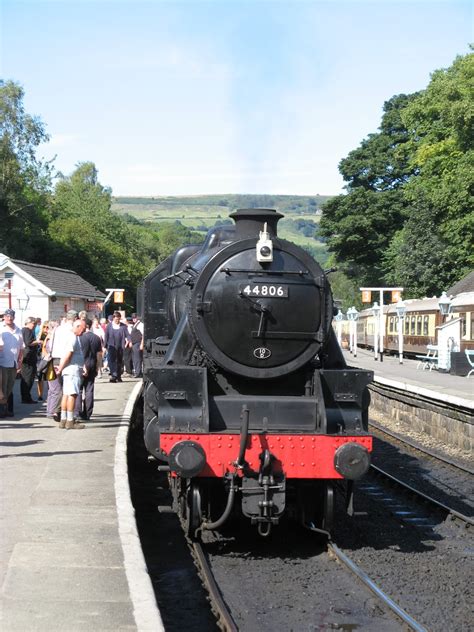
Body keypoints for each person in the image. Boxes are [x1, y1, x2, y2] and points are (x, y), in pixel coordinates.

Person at [47, 310, 78, 421]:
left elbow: (50, 344)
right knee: (65, 388)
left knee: (55, 387)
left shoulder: (57, 328)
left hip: (54, 358)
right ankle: (58, 411)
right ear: (75, 318)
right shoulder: (71, 330)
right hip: (65, 359)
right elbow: (71, 348)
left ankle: (52, 411)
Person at [56, 319, 87, 429]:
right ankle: (70, 420)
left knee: (66, 394)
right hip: (72, 370)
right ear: (78, 326)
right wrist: (60, 368)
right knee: (72, 395)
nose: (84, 331)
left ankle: (63, 419)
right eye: (83, 329)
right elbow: (68, 355)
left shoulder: (70, 336)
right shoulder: (73, 338)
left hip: (69, 370)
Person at [74, 318, 102, 420]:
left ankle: (78, 412)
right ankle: (88, 413)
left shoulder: (79, 338)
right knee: (89, 389)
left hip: (81, 364)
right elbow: (99, 354)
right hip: (92, 364)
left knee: (79, 389)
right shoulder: (96, 338)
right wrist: (98, 366)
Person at [0, 308, 24, 418]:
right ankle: (2, 410)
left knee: (10, 386)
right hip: (3, 361)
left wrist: (20, 360)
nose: (10, 318)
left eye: (11, 316)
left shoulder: (18, 329)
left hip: (14, 362)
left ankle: (6, 408)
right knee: (2, 387)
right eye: (8, 316)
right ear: (4, 317)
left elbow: (21, 347)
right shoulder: (1, 328)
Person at [20, 316, 43, 403]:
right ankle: (26, 397)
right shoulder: (27, 330)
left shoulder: (25, 330)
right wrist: (38, 341)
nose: (34, 325)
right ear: (28, 323)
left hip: (28, 357)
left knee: (27, 378)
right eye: (33, 323)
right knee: (28, 378)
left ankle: (26, 396)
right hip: (28, 357)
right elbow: (28, 342)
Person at [104, 311, 131, 383]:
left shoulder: (123, 326)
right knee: (111, 360)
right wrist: (104, 345)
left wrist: (129, 341)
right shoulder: (109, 326)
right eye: (116, 319)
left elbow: (127, 334)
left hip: (120, 346)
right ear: (113, 318)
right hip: (111, 345)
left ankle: (118, 375)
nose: (117, 321)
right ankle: (114, 375)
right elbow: (106, 336)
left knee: (119, 361)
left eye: (118, 319)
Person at [36, 320, 50, 401]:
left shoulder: (50, 335)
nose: (45, 329)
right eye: (44, 327)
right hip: (40, 358)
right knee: (39, 378)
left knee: (48, 378)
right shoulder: (40, 335)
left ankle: (50, 394)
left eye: (47, 327)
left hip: (47, 358)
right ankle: (40, 395)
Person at [131, 313, 144, 378]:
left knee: (137, 358)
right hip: (134, 343)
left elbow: (143, 334)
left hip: (138, 343)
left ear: (137, 318)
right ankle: (138, 371)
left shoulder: (140, 325)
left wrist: (142, 344)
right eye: (133, 318)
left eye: (135, 317)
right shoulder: (135, 325)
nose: (133, 319)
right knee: (135, 358)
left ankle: (138, 373)